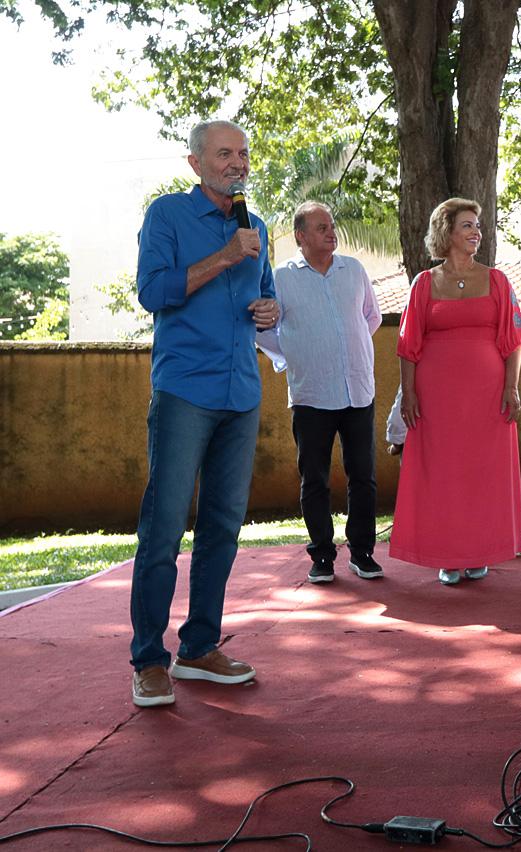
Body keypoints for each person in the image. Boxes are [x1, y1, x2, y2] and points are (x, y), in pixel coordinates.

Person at [129, 119, 279, 707]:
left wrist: (270, 310)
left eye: (243, 152)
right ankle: (148, 659)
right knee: (164, 528)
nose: (237, 162)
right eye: (224, 153)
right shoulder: (167, 217)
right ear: (195, 163)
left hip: (241, 393)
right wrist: (222, 257)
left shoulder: (257, 227)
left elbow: (262, 299)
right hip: (184, 392)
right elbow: (152, 293)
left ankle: (198, 647)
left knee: (222, 528)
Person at [390, 198, 521, 585]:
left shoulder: (498, 280)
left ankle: (480, 551)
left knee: (483, 473)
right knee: (443, 474)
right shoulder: (424, 283)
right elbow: (407, 343)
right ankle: (448, 556)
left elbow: (514, 338)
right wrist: (409, 392)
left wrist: (512, 386)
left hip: (488, 395)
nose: (475, 233)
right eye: (467, 226)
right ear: (446, 232)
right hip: (437, 398)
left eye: (477, 227)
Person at [257, 201, 383, 585]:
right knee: (314, 479)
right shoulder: (282, 278)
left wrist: (349, 352)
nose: (331, 232)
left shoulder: (354, 270)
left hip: (358, 390)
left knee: (363, 476)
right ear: (301, 236)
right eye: (321, 227)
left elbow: (371, 318)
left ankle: (362, 553)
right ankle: (322, 557)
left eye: (331, 226)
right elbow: (263, 331)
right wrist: (294, 358)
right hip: (311, 393)